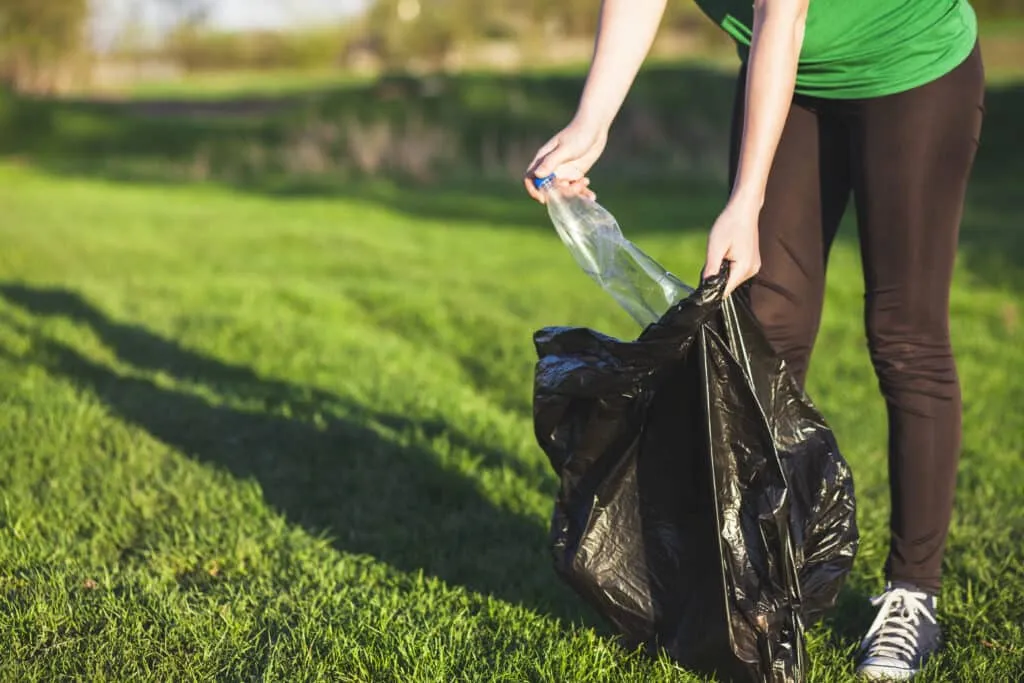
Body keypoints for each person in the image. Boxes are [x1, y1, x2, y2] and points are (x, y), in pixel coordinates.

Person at [524, 0, 985, 679]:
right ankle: (756, 580)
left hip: (909, 68)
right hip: (792, 80)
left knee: (904, 335)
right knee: (764, 326)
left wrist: (746, 201)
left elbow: (781, 15)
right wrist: (591, 121)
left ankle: (912, 592)